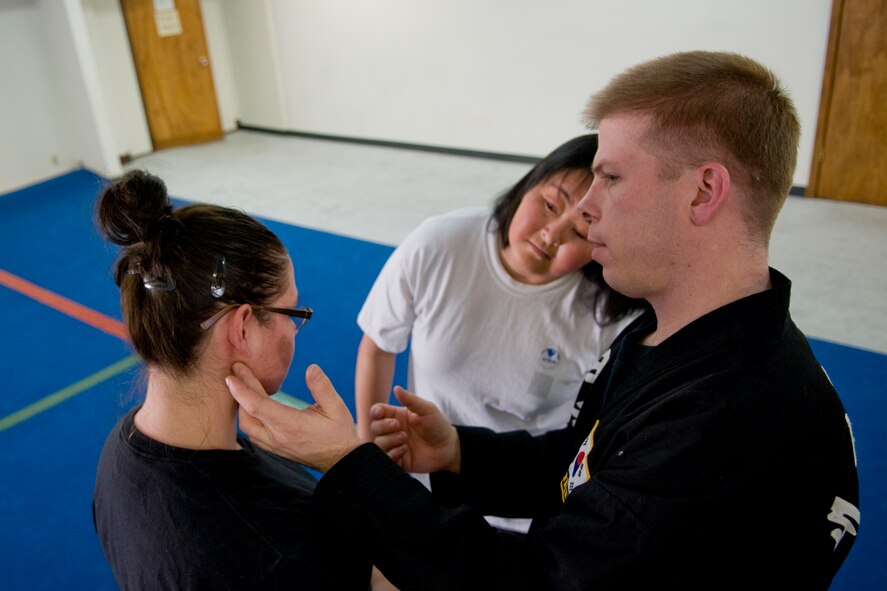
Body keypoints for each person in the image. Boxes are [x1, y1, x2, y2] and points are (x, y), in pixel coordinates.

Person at [226, 51, 860, 590]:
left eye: (610, 176)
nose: (585, 207)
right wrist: (461, 453)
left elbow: (541, 579)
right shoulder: (667, 335)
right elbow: (589, 462)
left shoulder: (729, 421)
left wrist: (349, 469)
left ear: (702, 191)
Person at [91, 170, 371, 590]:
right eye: (291, 314)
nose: (295, 331)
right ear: (241, 329)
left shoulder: (119, 452)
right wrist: (359, 474)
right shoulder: (279, 551)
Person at [355, 135, 646, 532]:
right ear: (530, 181)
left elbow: (592, 440)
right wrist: (368, 457)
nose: (552, 235)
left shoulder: (607, 313)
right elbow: (378, 343)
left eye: (580, 231)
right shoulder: (440, 242)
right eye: (548, 205)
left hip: (525, 501)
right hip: (422, 476)